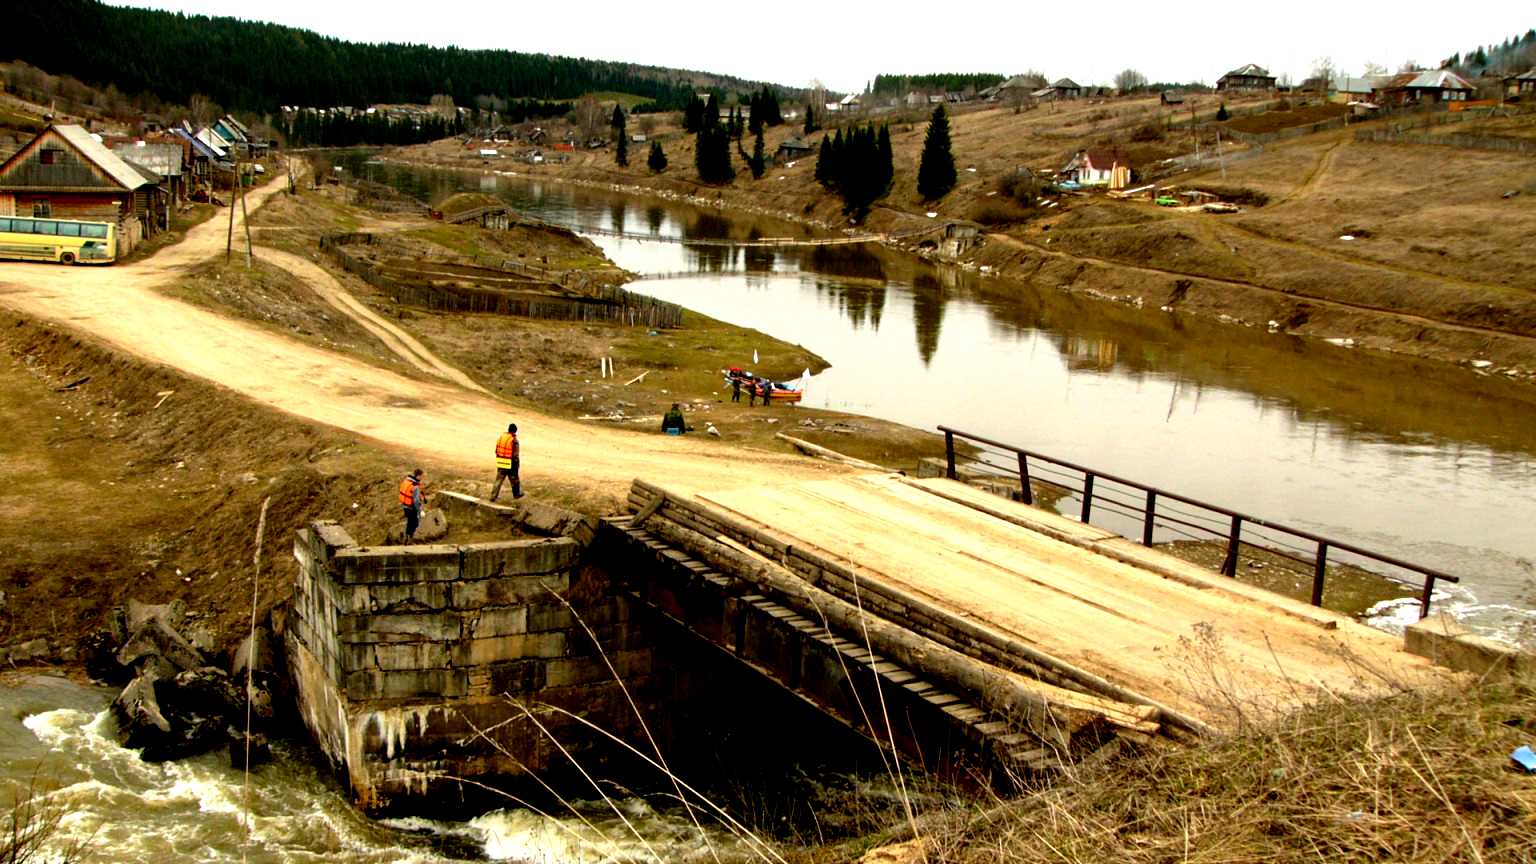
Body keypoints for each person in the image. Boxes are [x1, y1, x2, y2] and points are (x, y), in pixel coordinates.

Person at [490, 423, 523, 501]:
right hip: (510, 463)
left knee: (498, 480)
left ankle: (493, 496)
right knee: (514, 479)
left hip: (501, 462)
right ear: (515, 431)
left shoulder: (501, 437)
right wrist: (516, 465)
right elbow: (515, 455)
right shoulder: (514, 440)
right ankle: (517, 494)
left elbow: (496, 450)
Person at [398, 468, 425, 544]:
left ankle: (406, 538)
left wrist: (423, 497)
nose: (422, 477)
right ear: (418, 476)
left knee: (410, 522)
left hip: (405, 506)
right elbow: (416, 501)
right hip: (411, 507)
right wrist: (420, 511)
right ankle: (410, 540)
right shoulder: (415, 486)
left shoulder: (407, 481)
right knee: (415, 523)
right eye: (422, 476)